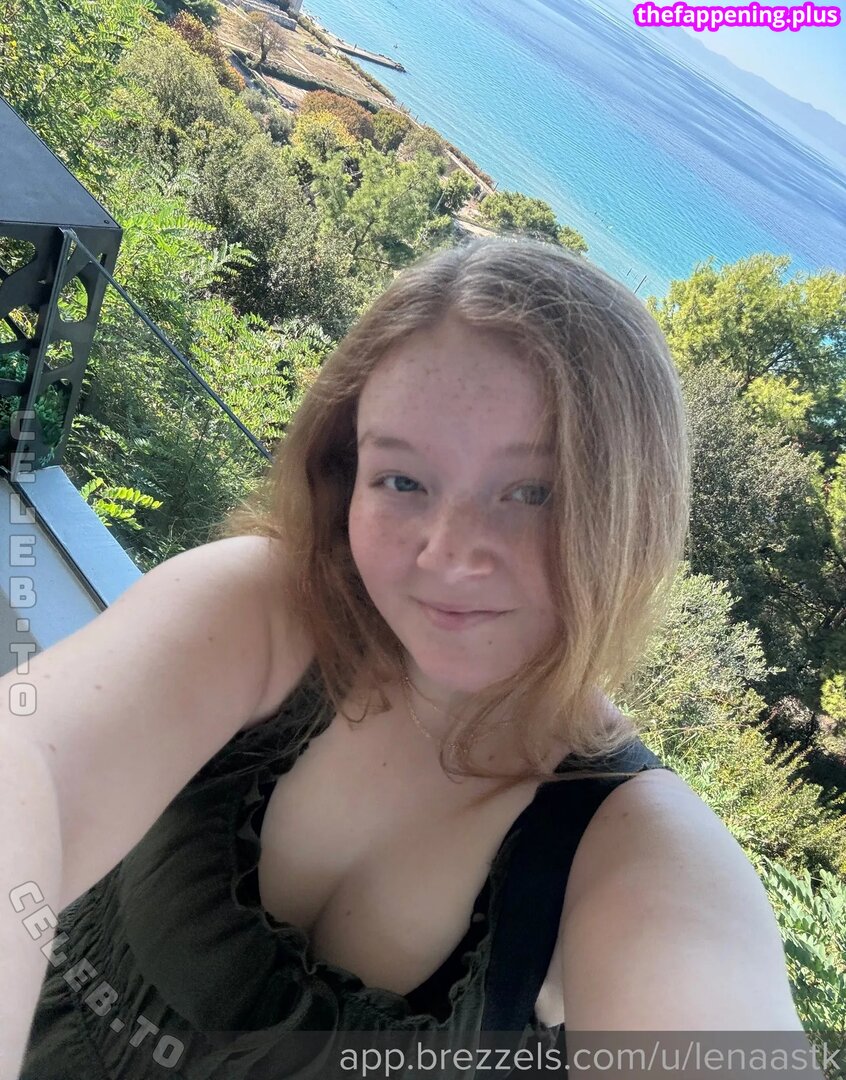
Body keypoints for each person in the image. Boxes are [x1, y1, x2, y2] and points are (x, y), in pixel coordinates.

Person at [3, 237, 810, 1080]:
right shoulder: (266, 609)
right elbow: (30, 764)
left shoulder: (639, 855)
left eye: (534, 492)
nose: (449, 554)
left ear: (631, 518)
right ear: (345, 469)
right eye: (402, 480)